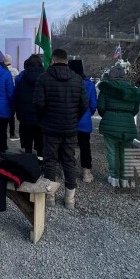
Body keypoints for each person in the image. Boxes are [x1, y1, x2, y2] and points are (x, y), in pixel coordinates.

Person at [33, 48, 88, 209]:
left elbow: (38, 103)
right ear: (66, 60)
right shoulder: (77, 79)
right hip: (70, 128)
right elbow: (84, 105)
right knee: (69, 161)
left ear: (53, 60)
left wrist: (45, 119)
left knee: (50, 161)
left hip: (50, 128)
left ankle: (50, 196)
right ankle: (69, 199)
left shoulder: (44, 78)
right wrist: (73, 118)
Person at [98, 63, 140, 188]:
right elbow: (135, 110)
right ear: (123, 76)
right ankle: (125, 179)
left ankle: (114, 178)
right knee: (126, 152)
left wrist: (108, 116)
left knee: (112, 151)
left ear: (111, 76)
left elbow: (101, 107)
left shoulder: (106, 89)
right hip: (128, 125)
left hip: (110, 122)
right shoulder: (133, 90)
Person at [69, 59, 98, 183]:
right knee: (85, 146)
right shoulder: (89, 84)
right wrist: (86, 115)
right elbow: (93, 105)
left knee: (68, 146)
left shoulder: (68, 82)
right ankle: (86, 172)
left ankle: (68, 171)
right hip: (84, 121)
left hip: (68, 120)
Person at [15, 54, 45, 158]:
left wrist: (18, 113)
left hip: (25, 113)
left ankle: (28, 159)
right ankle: (40, 158)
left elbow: (17, 96)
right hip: (41, 114)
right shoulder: (45, 76)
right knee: (40, 138)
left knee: (27, 137)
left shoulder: (22, 76)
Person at [4, 54, 20, 141]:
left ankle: (3, 132)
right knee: (11, 116)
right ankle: (12, 133)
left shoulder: (2, 70)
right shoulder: (15, 71)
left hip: (3, 95)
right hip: (12, 96)